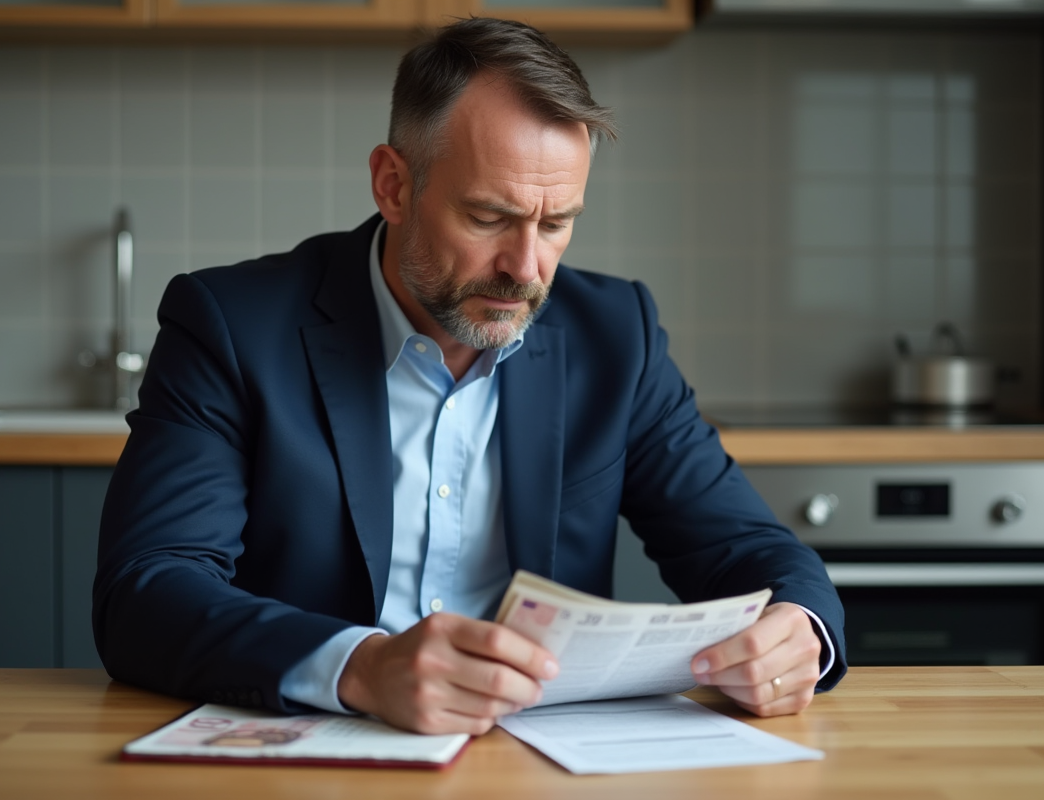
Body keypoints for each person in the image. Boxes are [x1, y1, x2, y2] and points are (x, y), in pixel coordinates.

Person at [93, 17, 846, 736]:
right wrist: (361, 666)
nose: (526, 269)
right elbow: (147, 590)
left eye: (556, 224)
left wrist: (797, 630)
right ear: (393, 185)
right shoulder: (232, 325)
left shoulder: (617, 336)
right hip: (310, 757)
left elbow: (751, 552)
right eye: (489, 218)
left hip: (546, 763)